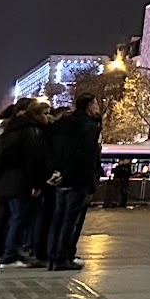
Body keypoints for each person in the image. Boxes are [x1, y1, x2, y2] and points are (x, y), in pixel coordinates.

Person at [0, 98, 51, 268]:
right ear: (36, 115)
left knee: (9, 218)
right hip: (21, 182)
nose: (48, 117)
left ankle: (2, 253)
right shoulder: (32, 132)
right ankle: (10, 256)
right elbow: (33, 160)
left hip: (6, 181)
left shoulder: (9, 130)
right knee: (19, 218)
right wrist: (36, 184)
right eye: (45, 114)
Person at [46, 93, 102, 270]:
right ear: (89, 105)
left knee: (58, 218)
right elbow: (85, 156)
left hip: (60, 177)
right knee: (71, 221)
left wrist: (57, 172)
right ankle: (63, 257)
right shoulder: (90, 127)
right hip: (77, 178)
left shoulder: (62, 123)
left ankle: (52, 256)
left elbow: (54, 149)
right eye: (96, 104)